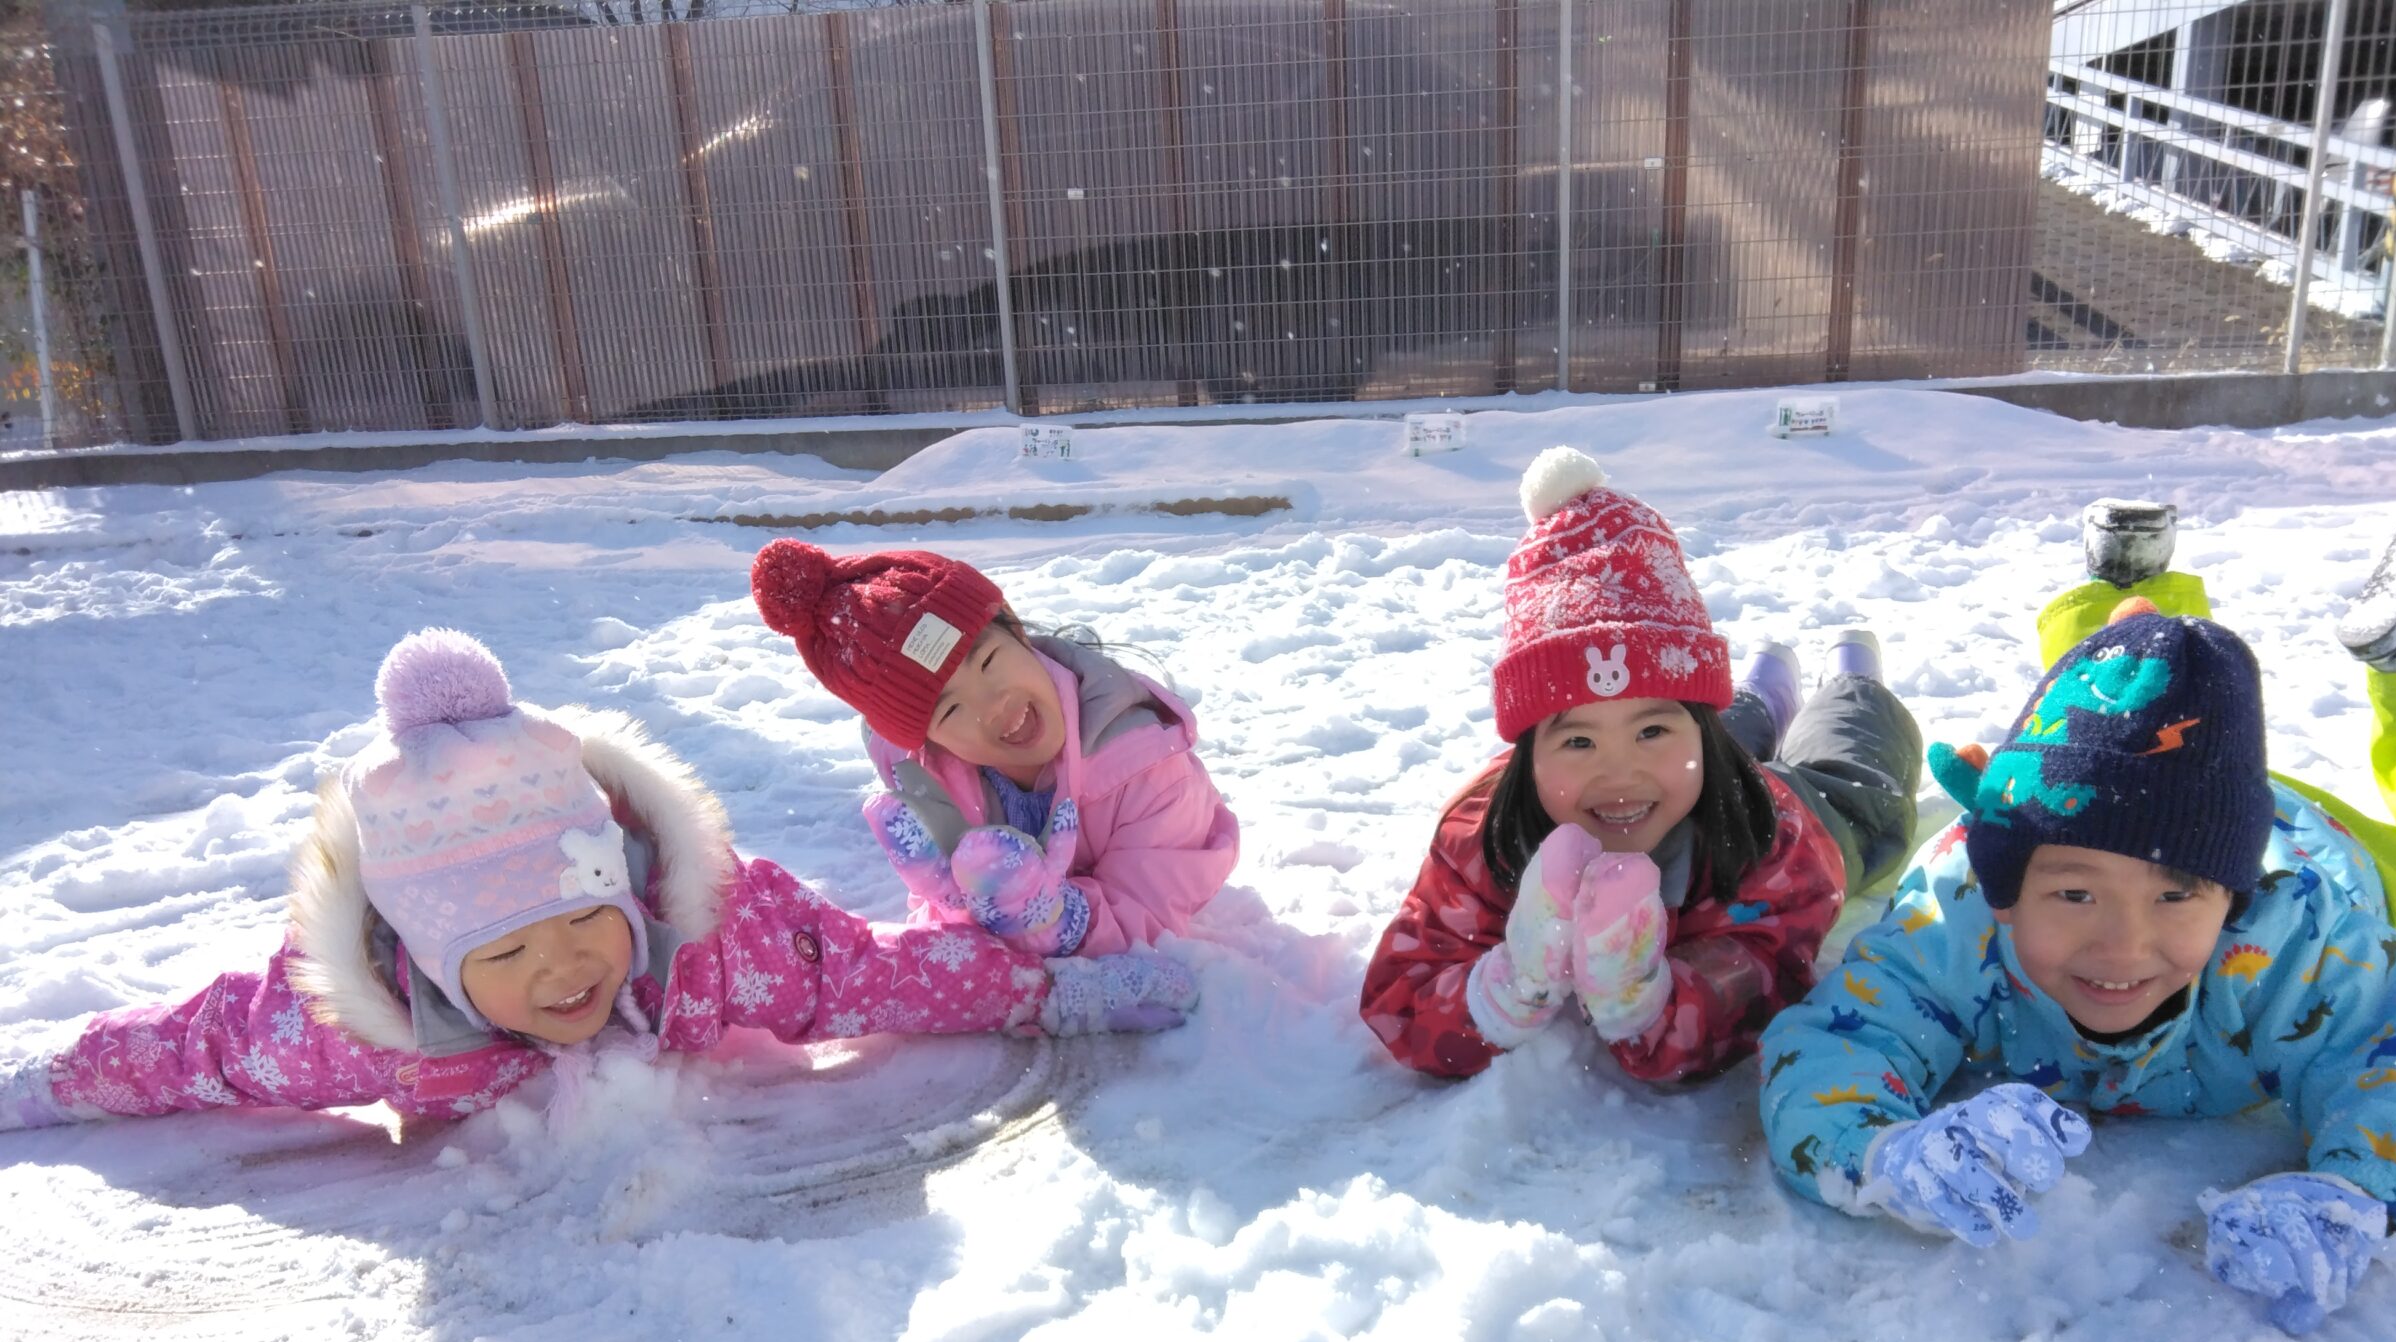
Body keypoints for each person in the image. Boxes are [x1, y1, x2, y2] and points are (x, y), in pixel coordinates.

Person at [1758, 459, 2396, 1332]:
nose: (2124, 947)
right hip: (2154, 803)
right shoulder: (1957, 915)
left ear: (2235, 902)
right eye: (2075, 896)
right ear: (2004, 891)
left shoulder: (2302, 938)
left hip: (2287, 831)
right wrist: (1881, 1153)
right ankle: (2135, 601)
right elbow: (1843, 1040)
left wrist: (2360, 1195)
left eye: (2175, 902)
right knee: (2116, 722)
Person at [0, 630, 1196, 1133]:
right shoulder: (356, 1028)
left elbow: (882, 977)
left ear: (623, 890)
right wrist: (46, 1084)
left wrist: (1065, 993)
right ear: (437, 967)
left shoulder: (722, 948)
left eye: (583, 921)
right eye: (507, 954)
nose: (563, 966)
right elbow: (197, 1049)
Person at [1361, 447, 1922, 1083]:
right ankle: (1762, 688)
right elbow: (1402, 990)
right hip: (1687, 772)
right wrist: (1506, 989)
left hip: (1743, 793)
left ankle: (1851, 680)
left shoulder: (1775, 837)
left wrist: (1646, 1004)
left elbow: (1766, 967)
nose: (1619, 773)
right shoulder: (1482, 837)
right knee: (1675, 746)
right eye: (1578, 742)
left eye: (1651, 729)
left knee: (1851, 769)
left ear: (1699, 725)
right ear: (1527, 753)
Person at [748, 540, 1240, 958]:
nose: (993, 706)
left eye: (986, 662)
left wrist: (1057, 921)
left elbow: (1146, 917)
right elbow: (955, 943)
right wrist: (951, 892)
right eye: (951, 710)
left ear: (1016, 630)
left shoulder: (1149, 769)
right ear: (928, 740)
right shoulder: (929, 780)